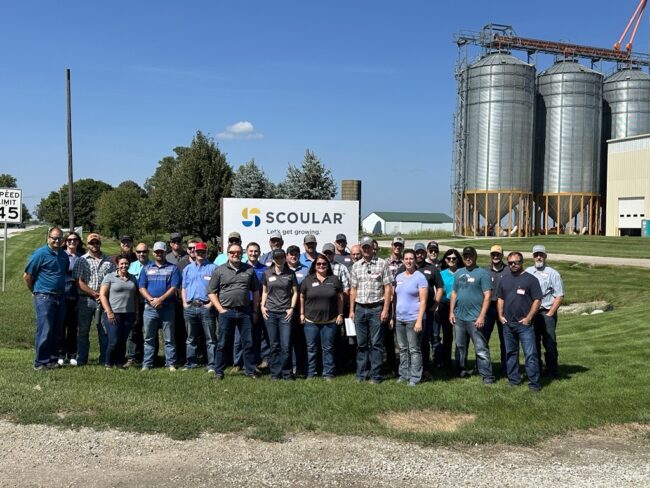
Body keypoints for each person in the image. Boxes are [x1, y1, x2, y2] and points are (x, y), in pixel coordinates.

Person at [208, 242, 260, 380]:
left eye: (238, 252)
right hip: (226, 312)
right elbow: (211, 292)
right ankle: (219, 371)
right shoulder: (219, 270)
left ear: (242, 254)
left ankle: (250, 371)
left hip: (245, 312)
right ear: (227, 254)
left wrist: (255, 310)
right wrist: (220, 310)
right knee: (223, 343)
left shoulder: (249, 269)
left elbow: (255, 291)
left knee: (248, 343)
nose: (235, 254)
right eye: (232, 252)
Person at [23, 227, 69, 370]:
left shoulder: (63, 255)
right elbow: (27, 276)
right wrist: (35, 291)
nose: (57, 240)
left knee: (56, 330)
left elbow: (64, 272)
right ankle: (41, 362)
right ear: (48, 238)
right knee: (45, 330)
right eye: (54, 238)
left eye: (59, 238)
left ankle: (52, 360)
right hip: (44, 297)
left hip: (60, 297)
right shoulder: (40, 254)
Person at [497, 251, 543, 391]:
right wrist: (500, 315)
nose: (513, 265)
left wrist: (529, 318)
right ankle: (513, 380)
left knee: (530, 354)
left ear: (521, 262)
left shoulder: (530, 279)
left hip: (524, 325)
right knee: (510, 353)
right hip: (508, 324)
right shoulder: (504, 279)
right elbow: (500, 298)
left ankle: (534, 383)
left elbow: (537, 300)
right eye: (510, 263)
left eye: (516, 263)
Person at [349, 236, 392, 384]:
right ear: (361, 248)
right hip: (360, 308)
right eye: (364, 247)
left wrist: (385, 310)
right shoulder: (356, 266)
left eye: (368, 246)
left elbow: (388, 288)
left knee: (376, 344)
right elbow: (353, 290)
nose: (366, 249)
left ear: (373, 248)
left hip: (376, 308)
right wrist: (352, 310)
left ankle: (376, 376)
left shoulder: (382, 264)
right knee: (361, 344)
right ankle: (361, 374)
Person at [449, 246, 495, 384]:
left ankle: (487, 375)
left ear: (475, 257)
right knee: (460, 346)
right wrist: (451, 312)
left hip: (475, 318)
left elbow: (488, 296)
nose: (468, 258)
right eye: (465, 256)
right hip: (459, 317)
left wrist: (482, 316)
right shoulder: (458, 273)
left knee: (480, 347)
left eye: (470, 256)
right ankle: (460, 370)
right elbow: (454, 293)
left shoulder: (482, 273)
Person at [73, 233, 116, 366]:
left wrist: (103, 296)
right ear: (88, 244)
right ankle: (82, 359)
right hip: (85, 300)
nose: (94, 245)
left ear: (100, 244)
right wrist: (94, 294)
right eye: (92, 243)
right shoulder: (81, 260)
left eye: (96, 242)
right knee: (83, 331)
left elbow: (112, 280)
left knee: (103, 331)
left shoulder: (108, 261)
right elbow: (79, 282)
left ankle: (104, 359)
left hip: (104, 301)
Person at [300, 254, 344, 382]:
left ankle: (328, 374)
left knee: (328, 349)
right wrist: (302, 313)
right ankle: (311, 373)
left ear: (328, 265)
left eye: (324, 264)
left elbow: (340, 298)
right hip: (310, 321)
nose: (321, 266)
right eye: (318, 264)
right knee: (311, 349)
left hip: (330, 321)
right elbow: (302, 297)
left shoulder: (334, 279)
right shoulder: (308, 280)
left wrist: (340, 314)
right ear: (314, 266)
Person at [138, 241, 181, 371]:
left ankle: (170, 363)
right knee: (149, 338)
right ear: (153, 252)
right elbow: (141, 287)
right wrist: (152, 299)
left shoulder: (173, 268)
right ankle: (147, 364)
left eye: (161, 251)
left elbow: (174, 287)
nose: (158, 254)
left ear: (165, 252)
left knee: (168, 338)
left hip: (167, 307)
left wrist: (160, 300)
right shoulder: (146, 268)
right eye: (156, 252)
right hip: (150, 308)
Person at [526, 245, 564, 379]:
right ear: (533, 256)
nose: (538, 257)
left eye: (541, 254)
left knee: (549, 342)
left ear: (545, 256)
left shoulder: (553, 273)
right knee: (533, 342)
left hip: (546, 311)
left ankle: (552, 370)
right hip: (532, 313)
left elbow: (559, 296)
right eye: (536, 254)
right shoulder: (528, 272)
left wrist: (550, 313)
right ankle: (536, 368)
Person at [261, 249, 298, 380]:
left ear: (285, 258)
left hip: (285, 314)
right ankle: (275, 374)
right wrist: (262, 306)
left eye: (281, 257)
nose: (279, 260)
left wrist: (292, 308)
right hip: (270, 313)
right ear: (273, 259)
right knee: (274, 345)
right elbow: (264, 292)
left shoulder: (290, 274)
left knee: (286, 345)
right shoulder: (266, 273)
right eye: (276, 258)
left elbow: (295, 293)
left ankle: (287, 373)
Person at [393, 249, 428, 386]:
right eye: (406, 258)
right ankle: (403, 374)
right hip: (400, 319)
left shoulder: (420, 277)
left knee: (414, 349)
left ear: (415, 260)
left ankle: (414, 377)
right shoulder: (399, 277)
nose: (409, 261)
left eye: (411, 258)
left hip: (414, 319)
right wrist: (393, 317)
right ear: (403, 260)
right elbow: (395, 298)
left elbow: (423, 301)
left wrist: (419, 320)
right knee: (403, 349)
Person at [181, 242, 218, 372]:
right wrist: (185, 303)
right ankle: (191, 363)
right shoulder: (188, 269)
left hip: (206, 306)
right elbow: (184, 288)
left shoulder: (213, 268)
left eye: (203, 252)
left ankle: (212, 365)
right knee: (190, 338)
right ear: (194, 253)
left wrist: (210, 304)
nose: (200, 254)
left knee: (210, 338)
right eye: (198, 252)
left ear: (206, 252)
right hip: (190, 307)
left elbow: (218, 289)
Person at [99, 256, 139, 368]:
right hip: (114, 313)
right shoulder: (110, 277)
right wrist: (109, 312)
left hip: (129, 314)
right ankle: (108, 363)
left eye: (126, 263)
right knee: (114, 341)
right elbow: (102, 295)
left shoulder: (133, 278)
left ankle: (120, 363)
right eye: (121, 264)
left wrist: (136, 313)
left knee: (123, 341)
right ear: (117, 265)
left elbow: (135, 296)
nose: (124, 266)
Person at [411, 242, 444, 375]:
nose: (419, 254)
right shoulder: (407, 267)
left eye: (421, 252)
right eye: (417, 252)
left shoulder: (432, 268)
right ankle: (411, 367)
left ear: (425, 253)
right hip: (411, 311)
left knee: (425, 340)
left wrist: (435, 305)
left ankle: (425, 368)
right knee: (412, 341)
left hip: (427, 311)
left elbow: (440, 287)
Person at [57, 231, 84, 366]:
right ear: (65, 242)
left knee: (73, 326)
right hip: (63, 294)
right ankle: (60, 354)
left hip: (77, 295)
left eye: (74, 240)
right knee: (61, 325)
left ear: (78, 242)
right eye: (69, 240)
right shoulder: (61, 256)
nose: (72, 242)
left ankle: (72, 354)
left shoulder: (82, 257)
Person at [126, 242, 151, 367]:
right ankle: (132, 357)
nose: (142, 254)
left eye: (144, 251)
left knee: (149, 331)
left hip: (150, 304)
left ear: (148, 252)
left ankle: (150, 356)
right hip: (134, 303)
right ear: (135, 253)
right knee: (134, 330)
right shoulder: (131, 267)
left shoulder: (153, 266)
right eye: (139, 252)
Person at [485, 244, 508, 376]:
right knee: (484, 339)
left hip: (504, 308)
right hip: (488, 308)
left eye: (498, 254)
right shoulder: (485, 271)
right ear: (490, 255)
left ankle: (506, 367)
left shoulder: (508, 270)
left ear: (502, 255)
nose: (495, 256)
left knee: (505, 339)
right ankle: (483, 367)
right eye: (493, 254)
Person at [438, 249, 463, 369]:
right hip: (445, 305)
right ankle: (446, 361)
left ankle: (460, 362)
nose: (451, 260)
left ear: (458, 259)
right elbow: (438, 291)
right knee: (447, 335)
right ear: (445, 260)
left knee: (460, 335)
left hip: (459, 306)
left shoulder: (463, 272)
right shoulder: (442, 274)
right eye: (449, 258)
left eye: (454, 258)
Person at [287, 245, 309, 376]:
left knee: (302, 340)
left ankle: (303, 367)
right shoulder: (282, 270)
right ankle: (292, 367)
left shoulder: (306, 270)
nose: (293, 256)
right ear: (287, 256)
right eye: (291, 254)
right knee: (287, 340)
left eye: (296, 254)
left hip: (302, 309)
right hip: (286, 309)